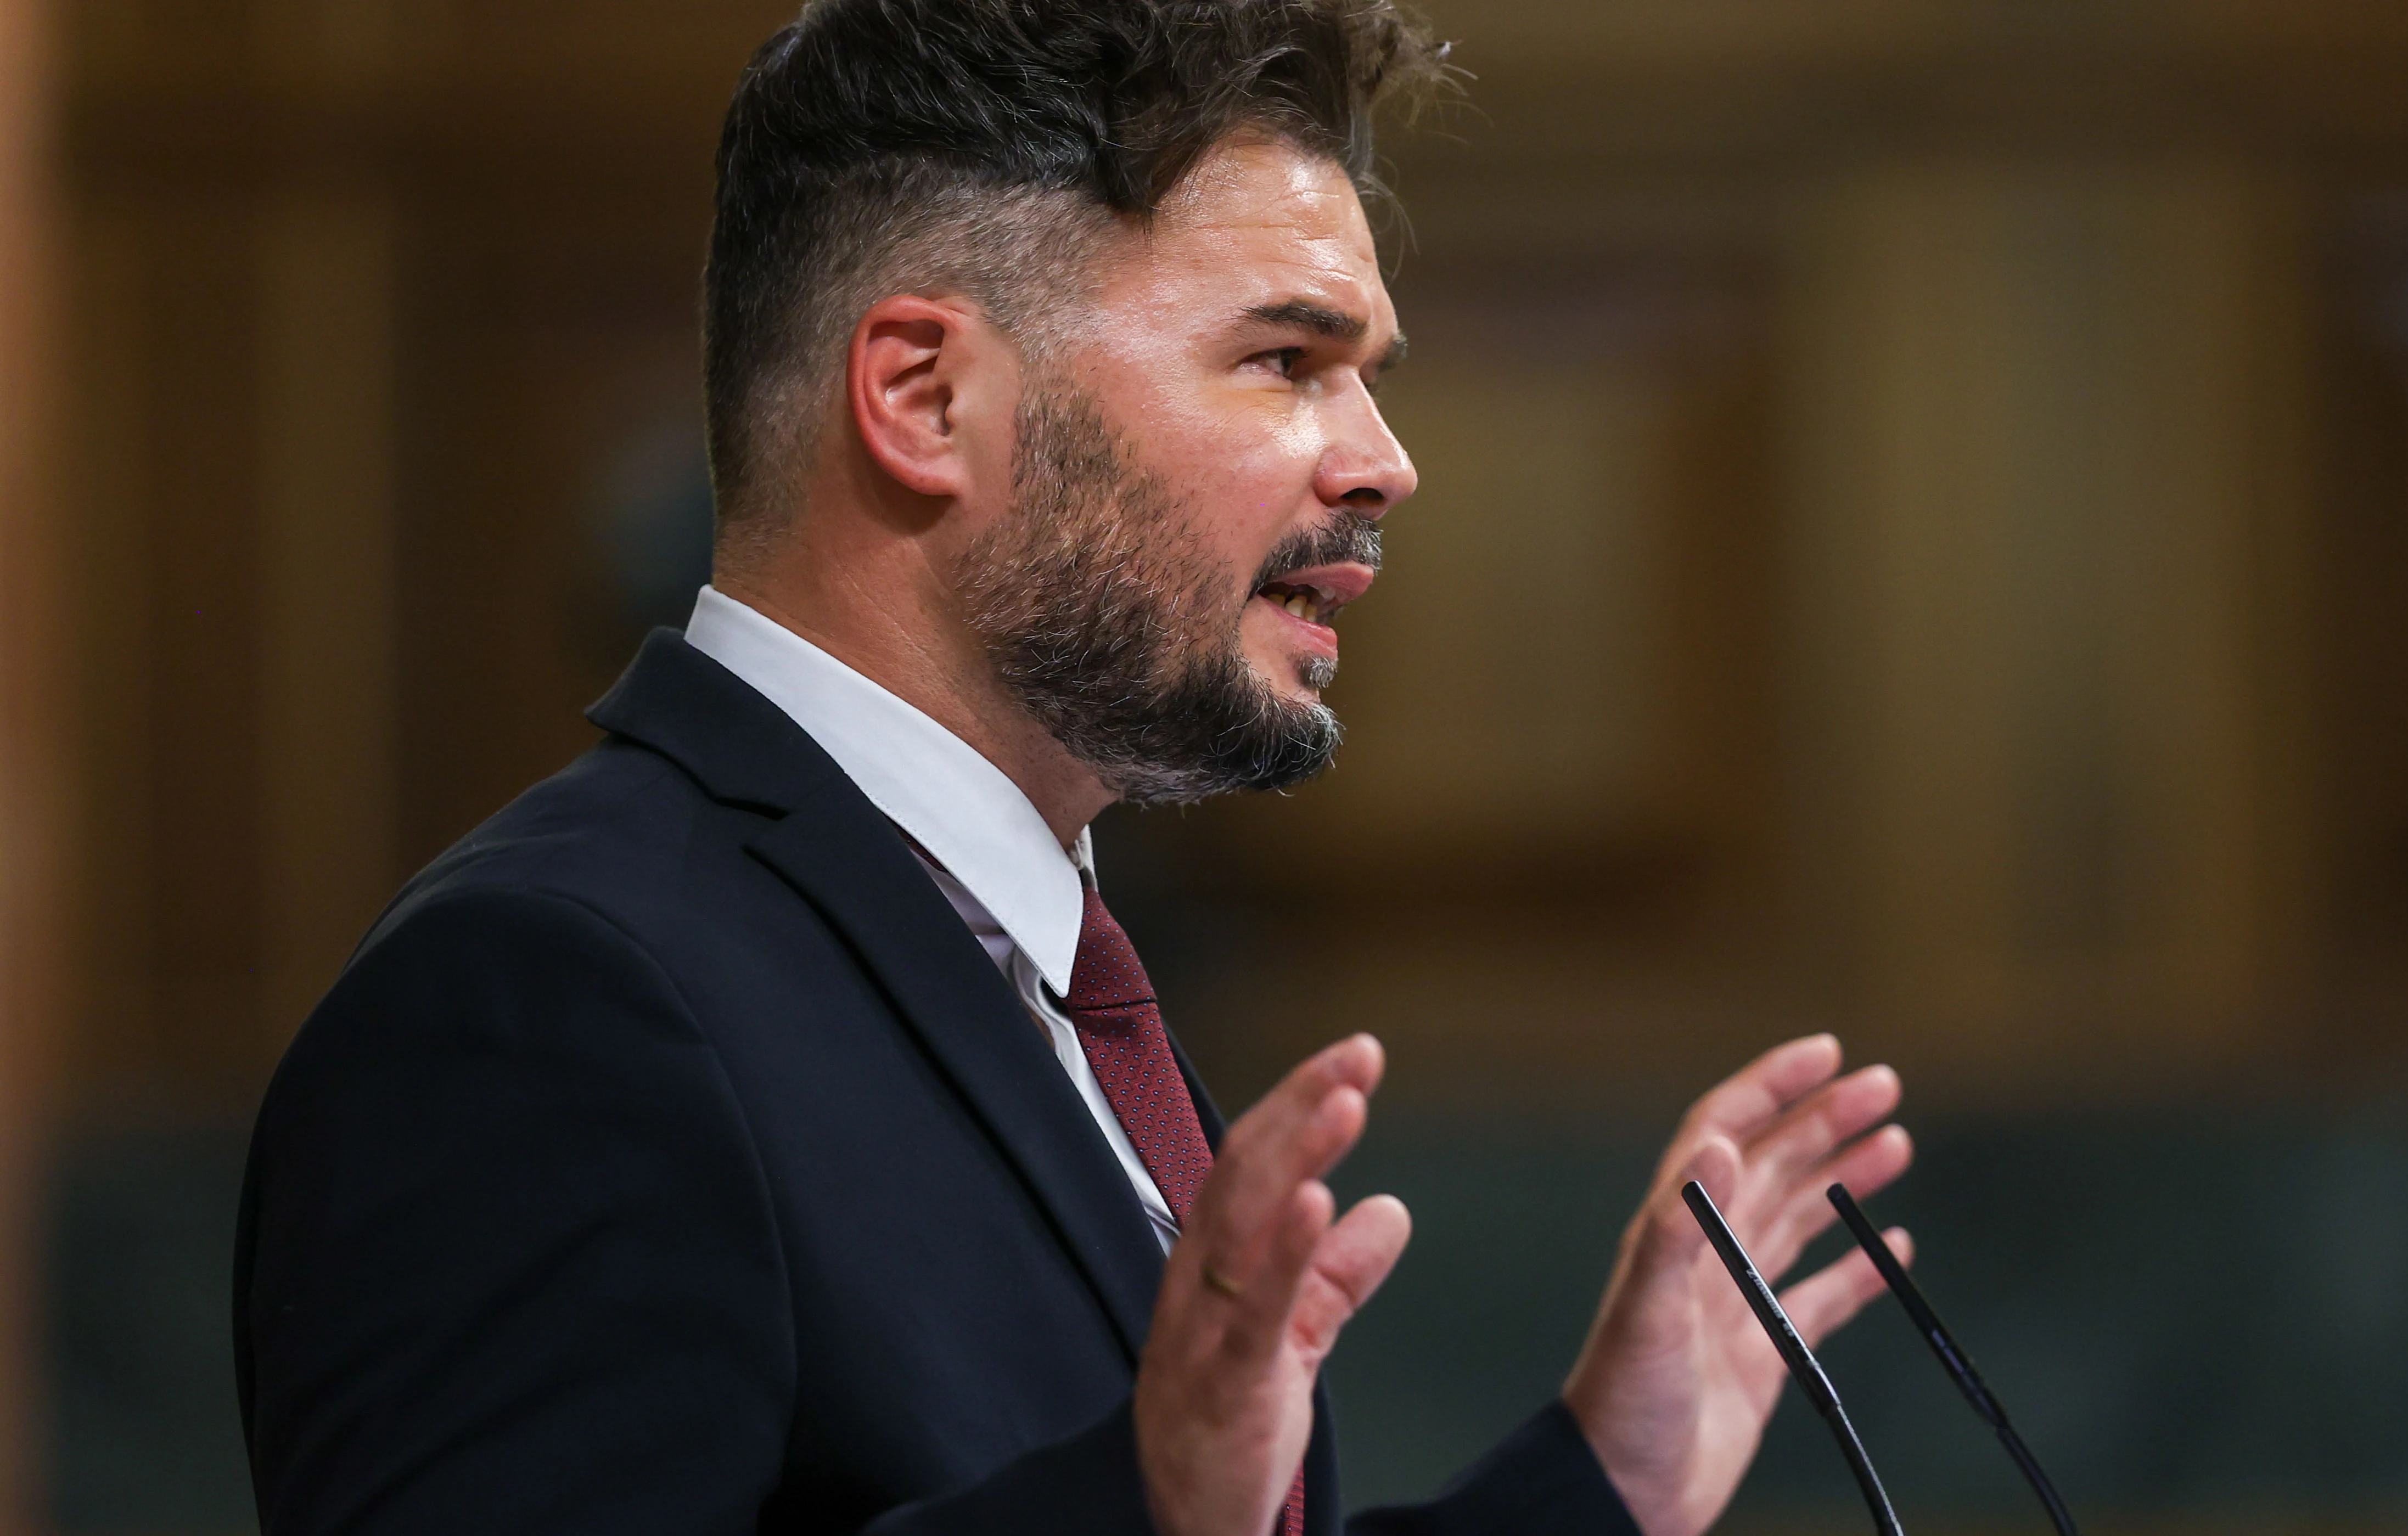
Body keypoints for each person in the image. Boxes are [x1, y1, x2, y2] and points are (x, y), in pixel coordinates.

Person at [233, 2, 1916, 1533]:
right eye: (1283, 360)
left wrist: (1603, 1481)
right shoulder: (544, 999)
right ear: (923, 394)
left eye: (1366, 378)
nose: (1386, 462)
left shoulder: (1019, 951)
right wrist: (1140, 1500)